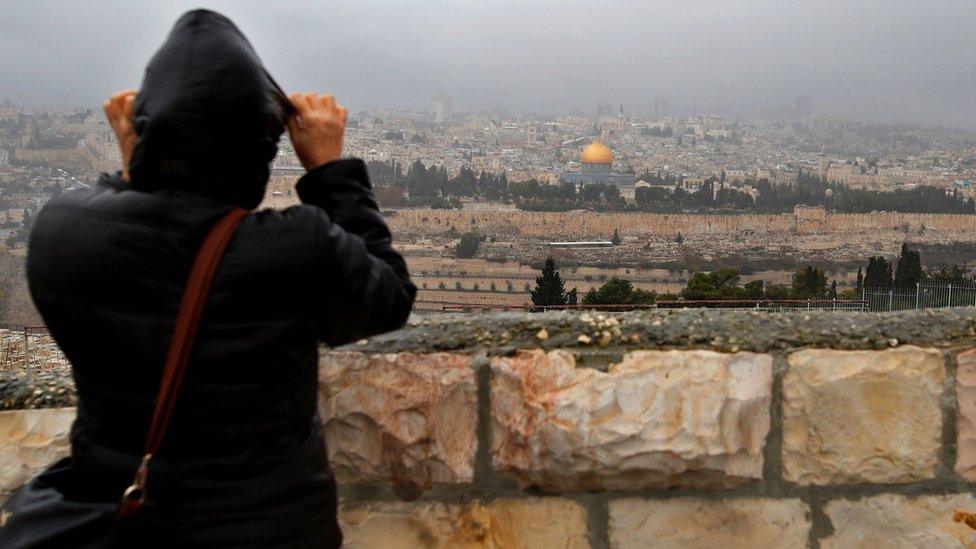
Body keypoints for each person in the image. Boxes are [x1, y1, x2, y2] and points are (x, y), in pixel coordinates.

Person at [0, 9, 415, 548]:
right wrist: (330, 171)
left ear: (144, 128)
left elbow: (130, 234)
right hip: (267, 529)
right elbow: (388, 299)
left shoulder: (61, 233)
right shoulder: (295, 248)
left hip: (118, 521)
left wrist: (138, 163)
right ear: (260, 147)